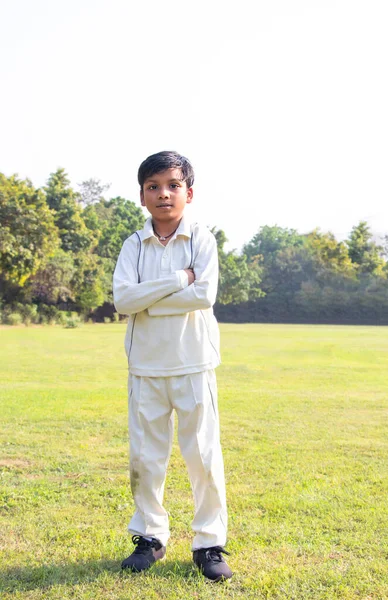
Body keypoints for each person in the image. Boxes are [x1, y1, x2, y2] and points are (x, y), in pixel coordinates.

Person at [113, 151, 232, 582]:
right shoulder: (133, 244)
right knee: (146, 458)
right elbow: (123, 302)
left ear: (189, 192)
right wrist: (179, 280)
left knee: (202, 455)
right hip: (145, 365)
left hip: (194, 362)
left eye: (173, 185)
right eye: (153, 186)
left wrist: (148, 299)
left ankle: (208, 543)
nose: (164, 193)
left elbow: (205, 296)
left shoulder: (201, 238)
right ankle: (150, 537)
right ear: (142, 196)